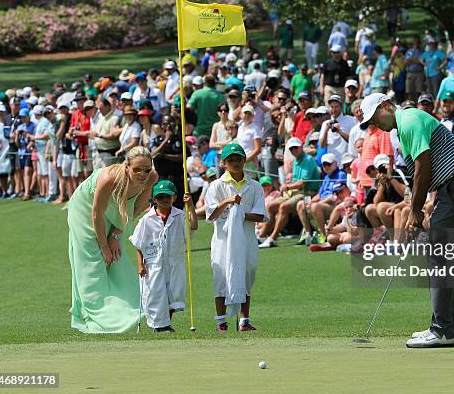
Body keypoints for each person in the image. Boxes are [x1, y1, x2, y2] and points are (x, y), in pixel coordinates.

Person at [359, 93, 454, 348]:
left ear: (386, 106)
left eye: (375, 117)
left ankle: (441, 330)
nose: (376, 124)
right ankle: (448, 325)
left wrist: (415, 211)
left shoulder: (408, 120)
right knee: (443, 256)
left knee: (438, 255)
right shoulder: (406, 123)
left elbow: (422, 168)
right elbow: (429, 169)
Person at [68, 146, 158, 333]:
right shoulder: (109, 178)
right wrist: (104, 246)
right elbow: (96, 213)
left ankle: (129, 306)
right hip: (85, 209)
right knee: (94, 259)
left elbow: (136, 208)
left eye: (146, 169)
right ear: (127, 166)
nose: (143, 174)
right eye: (137, 170)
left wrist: (116, 235)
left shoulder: (152, 178)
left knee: (116, 258)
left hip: (117, 211)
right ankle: (95, 313)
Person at [205, 144, 267, 332]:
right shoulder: (216, 186)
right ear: (224, 163)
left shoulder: (255, 186)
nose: (235, 163)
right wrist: (228, 202)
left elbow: (260, 215)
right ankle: (221, 322)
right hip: (223, 240)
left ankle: (244, 321)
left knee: (247, 275)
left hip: (247, 238)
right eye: (231, 160)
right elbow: (211, 215)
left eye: (238, 159)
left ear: (244, 160)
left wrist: (239, 213)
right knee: (222, 278)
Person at [130, 180, 197, 333]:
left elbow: (193, 226)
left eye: (168, 196)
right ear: (154, 199)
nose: (165, 200)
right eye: (161, 197)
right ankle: (161, 326)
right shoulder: (146, 220)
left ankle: (165, 324)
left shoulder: (180, 215)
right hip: (154, 263)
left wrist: (191, 206)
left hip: (175, 261)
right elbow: (138, 243)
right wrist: (140, 265)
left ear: (174, 197)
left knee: (173, 294)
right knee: (155, 294)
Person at [259, 138, 320, 248]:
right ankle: (262, 235)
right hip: (295, 192)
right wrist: (289, 182)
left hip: (308, 193)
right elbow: (296, 181)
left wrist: (287, 186)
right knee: (271, 206)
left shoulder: (308, 159)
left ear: (301, 147)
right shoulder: (296, 161)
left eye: (295, 147)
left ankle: (273, 238)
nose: (293, 150)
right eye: (291, 149)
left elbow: (303, 183)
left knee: (284, 206)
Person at [405, 35, 424, 101]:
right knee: (409, 91)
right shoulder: (409, 51)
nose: (416, 42)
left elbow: (422, 62)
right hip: (410, 73)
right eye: (415, 41)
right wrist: (415, 60)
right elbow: (406, 63)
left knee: (419, 91)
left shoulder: (422, 52)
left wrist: (412, 60)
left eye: (417, 41)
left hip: (419, 73)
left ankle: (418, 104)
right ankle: (411, 105)